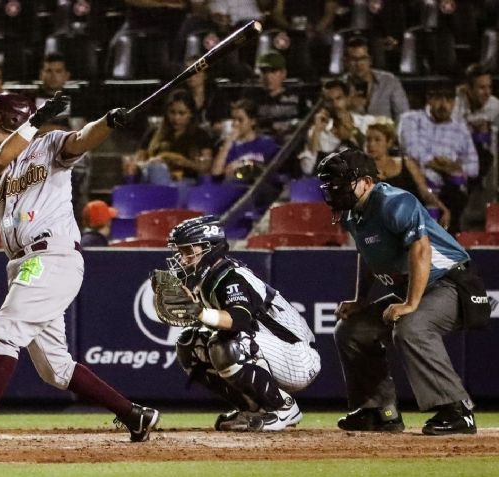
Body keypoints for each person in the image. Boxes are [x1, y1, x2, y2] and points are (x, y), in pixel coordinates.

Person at [0, 92, 160, 445]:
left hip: (51, 256)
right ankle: (134, 415)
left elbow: (82, 139)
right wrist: (33, 122)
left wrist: (108, 122)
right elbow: (2, 158)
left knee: (5, 330)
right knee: (56, 369)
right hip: (24, 262)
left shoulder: (49, 146)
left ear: (9, 121)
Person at [316, 148, 479, 436]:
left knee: (411, 326)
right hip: (417, 287)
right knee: (351, 329)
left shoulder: (394, 201)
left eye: (342, 182)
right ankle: (380, 411)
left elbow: (421, 248)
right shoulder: (355, 214)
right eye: (331, 184)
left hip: (452, 283)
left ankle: (458, 409)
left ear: (366, 182)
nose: (335, 190)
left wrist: (410, 303)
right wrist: (361, 300)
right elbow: (367, 256)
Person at [163, 215, 320, 431]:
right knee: (190, 344)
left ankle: (283, 408)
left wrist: (199, 312)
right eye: (181, 253)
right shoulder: (209, 278)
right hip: (272, 351)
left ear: (210, 248)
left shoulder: (230, 276)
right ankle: (252, 408)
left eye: (189, 251)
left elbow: (238, 320)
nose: (183, 259)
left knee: (225, 344)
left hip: (298, 356)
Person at [397, 82, 479, 234]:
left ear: (455, 102)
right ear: (429, 99)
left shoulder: (461, 129)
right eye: (439, 99)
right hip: (416, 182)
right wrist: (443, 165)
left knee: (458, 191)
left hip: (448, 186)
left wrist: (454, 168)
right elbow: (413, 152)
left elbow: (474, 167)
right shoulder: (411, 119)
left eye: (449, 100)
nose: (444, 105)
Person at [364, 121, 450, 229]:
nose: (371, 144)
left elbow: (424, 191)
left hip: (409, 220)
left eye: (377, 140)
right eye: (368, 140)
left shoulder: (407, 164)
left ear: (389, 142)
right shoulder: (362, 169)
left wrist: (442, 208)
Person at [130, 89, 213, 184]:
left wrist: (185, 163)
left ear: (191, 114)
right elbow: (138, 160)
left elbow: (206, 166)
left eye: (182, 113)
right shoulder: (153, 133)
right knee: (155, 169)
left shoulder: (201, 135)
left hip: (185, 182)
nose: (176, 118)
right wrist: (153, 162)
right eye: (172, 112)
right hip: (151, 176)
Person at [241, 52, 310, 141]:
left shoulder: (297, 96)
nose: (268, 77)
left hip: (289, 146)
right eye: (264, 72)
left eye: (273, 71)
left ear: (283, 73)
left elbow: (307, 122)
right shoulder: (252, 97)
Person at [211, 99, 279, 182]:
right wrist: (228, 143)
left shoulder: (266, 143)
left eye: (240, 120)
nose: (235, 124)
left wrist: (243, 165)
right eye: (233, 119)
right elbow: (216, 174)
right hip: (231, 187)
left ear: (253, 121)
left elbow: (270, 171)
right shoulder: (229, 146)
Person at [343, 36, 409, 121]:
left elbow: (404, 116)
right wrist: (346, 107)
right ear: (346, 62)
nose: (359, 64)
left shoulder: (389, 81)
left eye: (363, 58)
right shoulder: (338, 86)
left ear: (370, 60)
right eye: (353, 59)